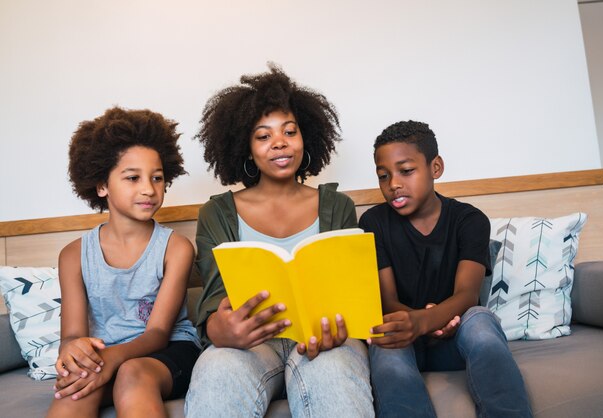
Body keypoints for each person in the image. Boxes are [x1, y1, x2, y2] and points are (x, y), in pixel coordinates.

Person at [185, 64, 374, 417]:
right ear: (247, 146)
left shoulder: (337, 207)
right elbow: (212, 305)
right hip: (252, 343)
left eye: (290, 131)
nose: (280, 143)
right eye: (263, 135)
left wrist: (343, 327)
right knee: (218, 371)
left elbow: (349, 295)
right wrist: (222, 331)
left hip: (325, 340)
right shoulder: (217, 214)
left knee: (332, 371)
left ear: (307, 137)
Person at [359, 120, 532, 417]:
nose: (393, 184)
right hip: (406, 340)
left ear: (435, 168)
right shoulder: (373, 223)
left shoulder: (469, 220)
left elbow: (467, 295)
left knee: (480, 319)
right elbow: (386, 299)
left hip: (455, 335)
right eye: (383, 176)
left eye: (406, 171)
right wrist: (416, 325)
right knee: (386, 342)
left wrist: (427, 321)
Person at [47, 107, 201, 418]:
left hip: (167, 351)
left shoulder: (176, 248)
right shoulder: (73, 256)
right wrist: (72, 351)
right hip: (106, 353)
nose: (149, 188)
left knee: (132, 375)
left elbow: (157, 332)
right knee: (75, 387)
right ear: (101, 186)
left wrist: (114, 359)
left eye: (157, 178)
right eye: (133, 178)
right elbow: (73, 334)